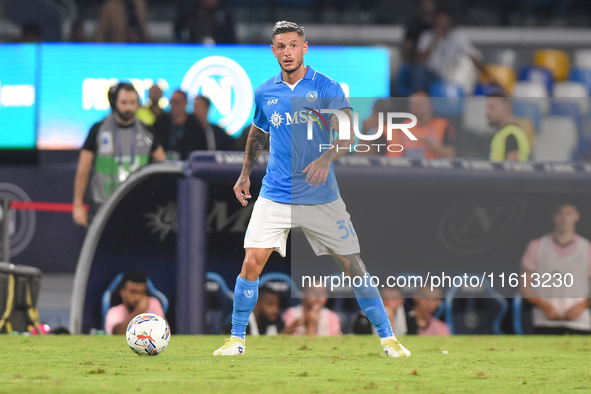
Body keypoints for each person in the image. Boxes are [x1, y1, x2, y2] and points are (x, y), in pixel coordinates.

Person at [213, 21, 411, 357]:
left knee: (354, 266)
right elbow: (258, 132)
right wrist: (246, 172)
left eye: (293, 45)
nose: (287, 52)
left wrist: (325, 159)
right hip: (276, 193)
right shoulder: (265, 92)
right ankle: (236, 339)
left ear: (305, 48)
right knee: (251, 264)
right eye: (281, 47)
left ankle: (389, 339)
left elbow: (347, 135)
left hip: (321, 196)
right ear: (273, 51)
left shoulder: (327, 87)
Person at [72, 82, 166, 227]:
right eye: (124, 102)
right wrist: (78, 204)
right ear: (114, 102)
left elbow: (163, 167)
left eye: (133, 102)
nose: (128, 107)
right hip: (102, 205)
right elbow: (83, 169)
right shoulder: (98, 130)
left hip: (138, 206)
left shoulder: (147, 132)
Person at [520, 203, 591, 335]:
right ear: (554, 217)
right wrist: (545, 306)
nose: (564, 218)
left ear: (576, 216)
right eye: (560, 213)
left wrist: (580, 307)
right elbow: (524, 286)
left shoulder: (587, 248)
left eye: (568, 213)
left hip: (580, 323)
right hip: (544, 322)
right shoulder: (537, 246)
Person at [411, 9, 490, 93]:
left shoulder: (457, 36)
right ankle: (418, 99)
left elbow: (471, 55)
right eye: (439, 21)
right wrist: (435, 40)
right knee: (417, 71)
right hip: (430, 75)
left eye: (444, 21)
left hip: (449, 76)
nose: (442, 24)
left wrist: (488, 74)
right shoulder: (426, 36)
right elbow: (419, 59)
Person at [374, 92, 455, 158]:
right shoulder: (404, 126)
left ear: (430, 105)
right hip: (408, 170)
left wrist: (430, 144)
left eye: (420, 103)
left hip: (434, 170)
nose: (417, 107)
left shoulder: (442, 125)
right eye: (413, 104)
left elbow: (450, 154)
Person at [104, 270, 165, 335]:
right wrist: (138, 311)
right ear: (122, 293)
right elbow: (117, 333)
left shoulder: (153, 303)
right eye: (133, 292)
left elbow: (164, 331)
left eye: (142, 292)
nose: (138, 297)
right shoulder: (114, 312)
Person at [153, 89, 207, 160]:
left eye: (177, 102)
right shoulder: (161, 122)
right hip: (162, 164)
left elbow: (201, 149)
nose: (174, 105)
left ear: (185, 103)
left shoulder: (195, 125)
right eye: (172, 101)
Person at [486, 92, 531, 162]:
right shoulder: (504, 133)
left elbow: (512, 169)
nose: (487, 112)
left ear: (507, 108)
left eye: (492, 107)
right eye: (487, 107)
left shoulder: (510, 135)